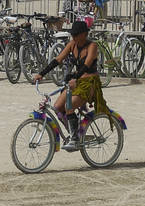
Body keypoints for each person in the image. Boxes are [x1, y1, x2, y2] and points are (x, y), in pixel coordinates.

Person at [33, 19, 108, 151]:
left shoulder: (92, 46)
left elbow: (87, 64)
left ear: (84, 34)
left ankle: (75, 139)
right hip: (75, 82)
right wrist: (42, 73)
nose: (73, 37)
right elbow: (58, 59)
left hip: (89, 83)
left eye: (76, 35)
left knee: (69, 106)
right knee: (57, 107)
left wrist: (75, 77)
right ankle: (76, 130)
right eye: (72, 35)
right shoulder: (72, 44)